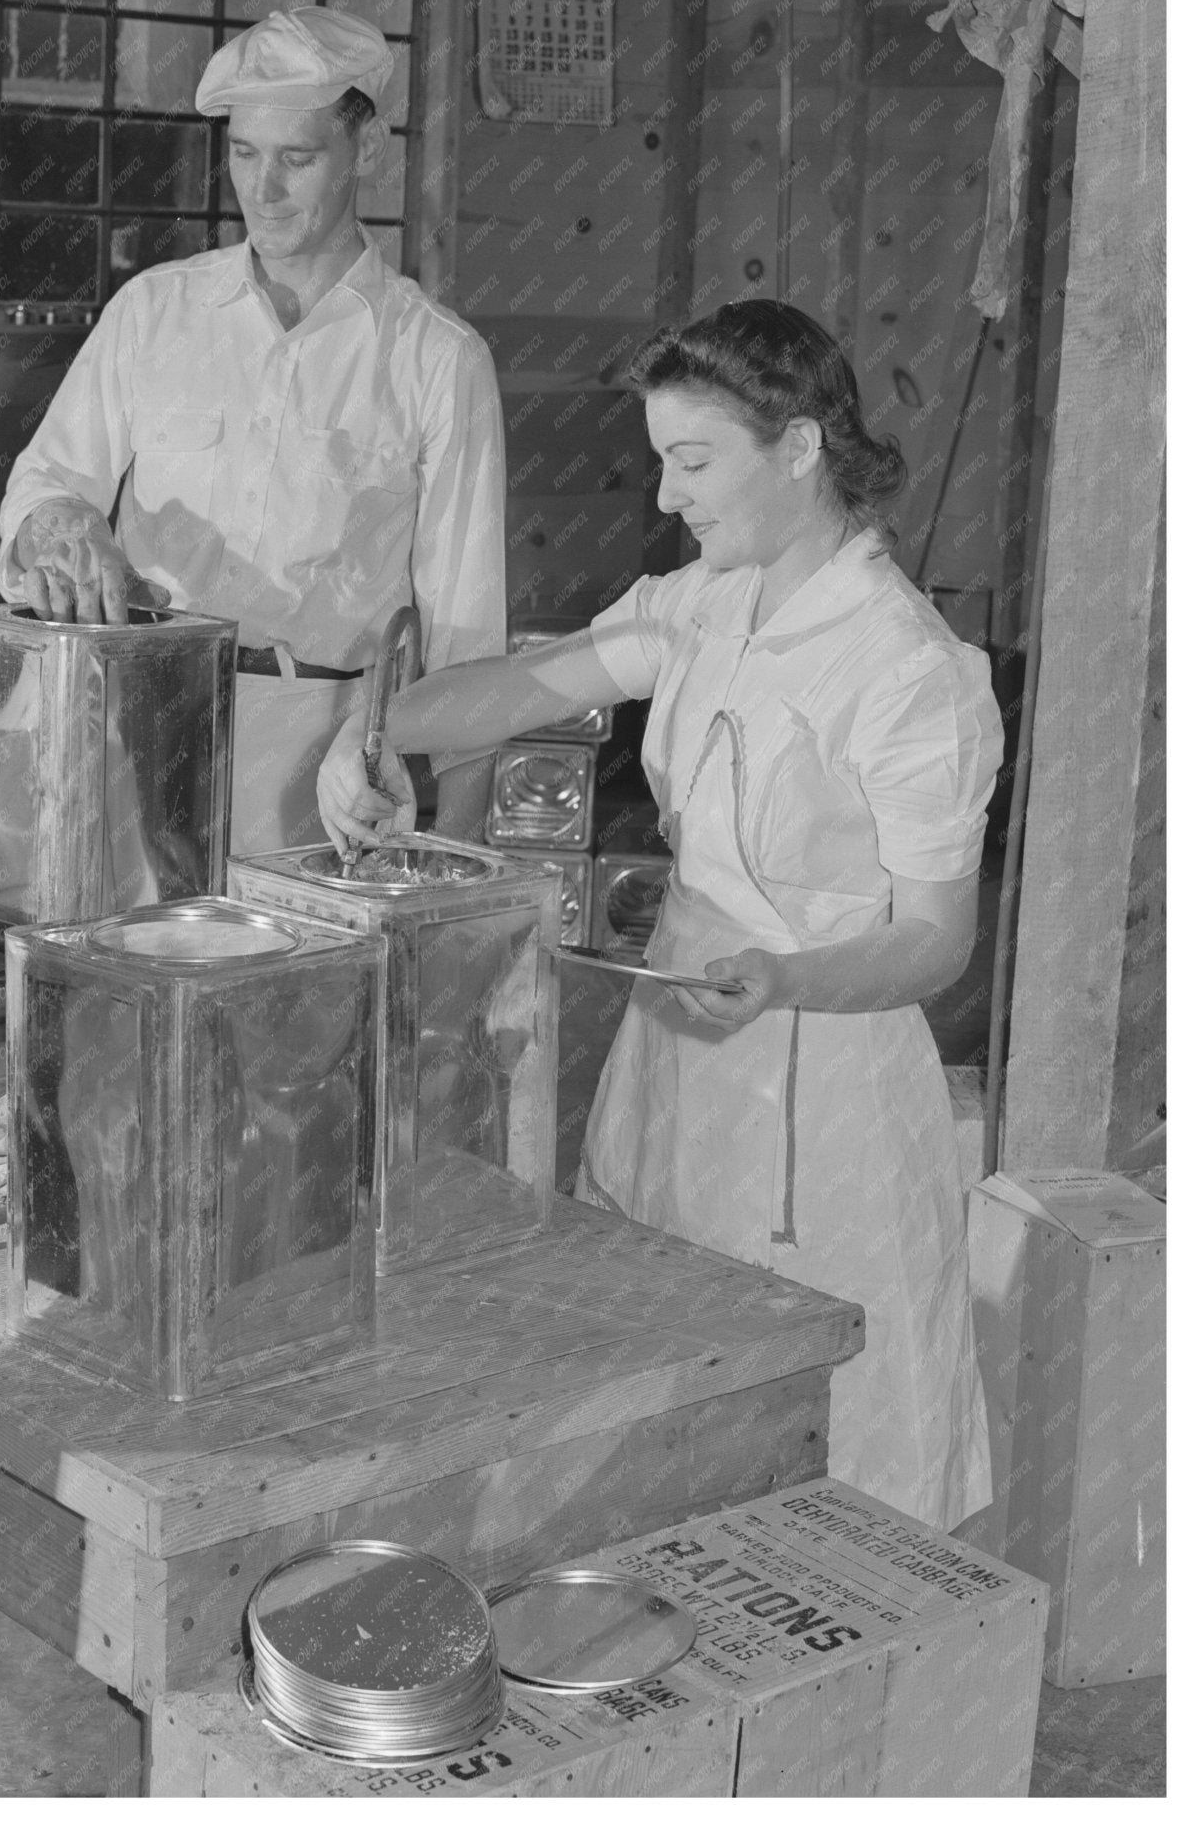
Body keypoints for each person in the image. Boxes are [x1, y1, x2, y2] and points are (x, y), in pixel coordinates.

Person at [318, 299, 1003, 1531]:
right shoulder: (702, 603)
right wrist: (369, 736)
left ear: (797, 447)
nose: (668, 495)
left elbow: (937, 941)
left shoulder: (909, 672)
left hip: (825, 1087)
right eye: (660, 461)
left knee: (835, 1453)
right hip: (680, 1040)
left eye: (693, 461)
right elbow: (521, 687)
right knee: (663, 1400)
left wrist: (786, 979)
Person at [0, 6, 505, 855]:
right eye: (243, 154)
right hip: (126, 722)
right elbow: (44, 483)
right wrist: (58, 522)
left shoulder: (437, 360)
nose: (261, 191)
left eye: (297, 160)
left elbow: (465, 627)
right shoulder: (153, 312)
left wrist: (460, 850)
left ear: (367, 152)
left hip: (325, 755)